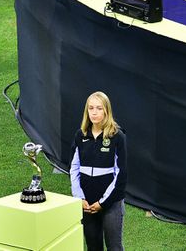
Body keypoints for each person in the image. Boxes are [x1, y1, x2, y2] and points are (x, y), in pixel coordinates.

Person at [70, 91, 128, 251]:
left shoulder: (117, 137)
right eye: (91, 108)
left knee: (114, 247)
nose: (94, 112)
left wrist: (103, 203)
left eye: (99, 108)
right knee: (93, 247)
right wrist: (79, 197)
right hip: (87, 203)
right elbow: (74, 168)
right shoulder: (80, 135)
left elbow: (121, 174)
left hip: (111, 203)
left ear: (106, 111)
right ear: (86, 111)